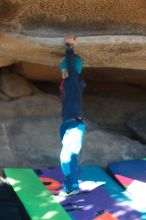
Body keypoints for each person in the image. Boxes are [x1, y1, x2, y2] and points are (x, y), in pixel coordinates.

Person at [59, 36, 86, 197]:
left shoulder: (73, 81)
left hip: (74, 125)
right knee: (68, 157)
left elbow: (71, 66)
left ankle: (72, 186)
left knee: (67, 157)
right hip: (67, 125)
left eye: (64, 70)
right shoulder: (68, 84)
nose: (62, 73)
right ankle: (70, 185)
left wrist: (69, 47)